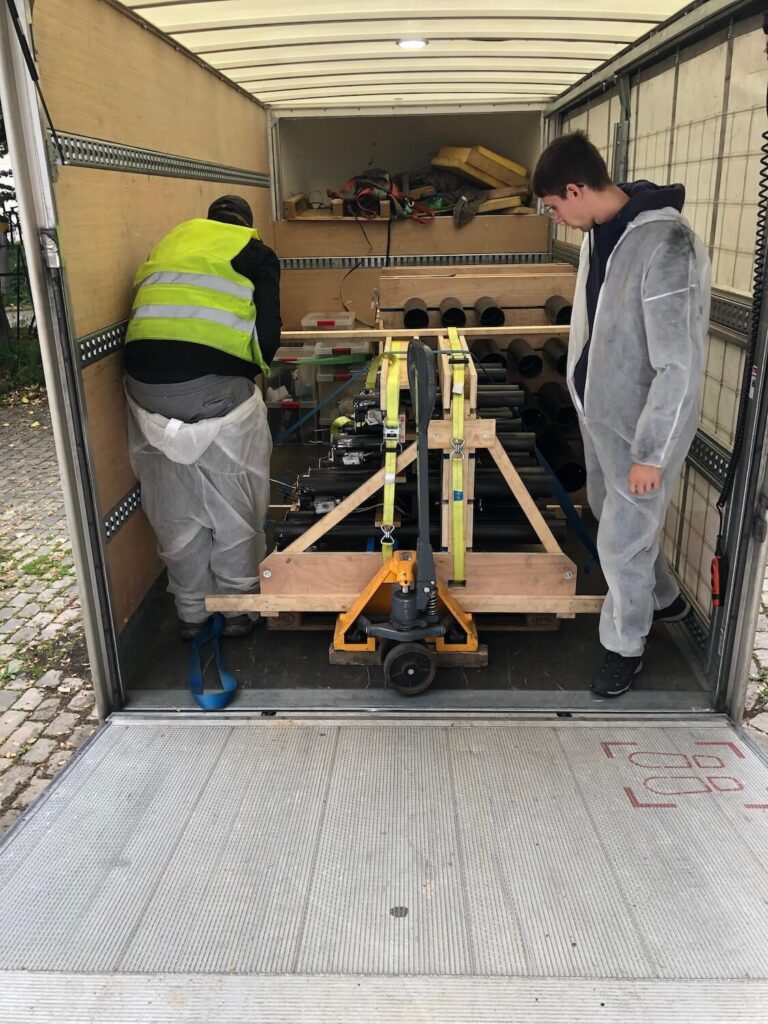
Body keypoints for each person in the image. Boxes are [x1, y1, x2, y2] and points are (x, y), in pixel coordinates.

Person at [532, 132, 710, 697]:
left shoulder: (668, 246)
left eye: (557, 207)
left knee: (619, 541)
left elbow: (678, 364)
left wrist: (651, 454)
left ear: (577, 189)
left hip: (640, 429)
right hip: (600, 414)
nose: (558, 218)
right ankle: (663, 599)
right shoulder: (600, 233)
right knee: (616, 519)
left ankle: (625, 646)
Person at [123, 195, 281, 639]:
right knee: (235, 497)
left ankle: (191, 614)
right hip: (215, 392)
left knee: (176, 501)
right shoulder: (256, 252)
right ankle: (237, 608)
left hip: (145, 390)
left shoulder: (171, 242)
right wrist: (247, 372)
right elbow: (267, 339)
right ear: (245, 224)